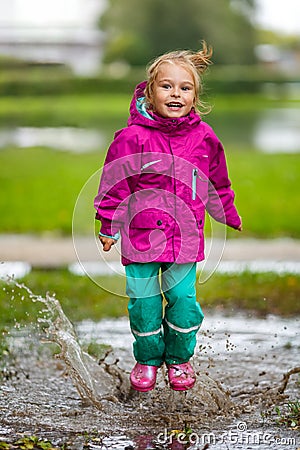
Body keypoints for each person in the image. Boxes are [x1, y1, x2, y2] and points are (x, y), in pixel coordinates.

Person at [94, 42, 242, 392]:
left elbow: (216, 179)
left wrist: (226, 211)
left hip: (185, 238)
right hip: (141, 237)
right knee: (144, 304)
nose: (176, 93)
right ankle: (147, 358)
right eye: (167, 86)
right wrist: (108, 225)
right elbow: (114, 184)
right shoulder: (132, 138)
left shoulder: (204, 138)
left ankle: (179, 359)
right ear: (150, 90)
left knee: (184, 302)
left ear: (194, 96)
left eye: (184, 87)